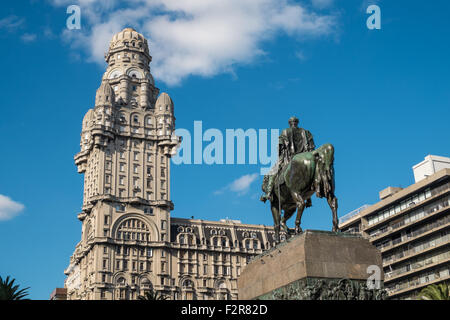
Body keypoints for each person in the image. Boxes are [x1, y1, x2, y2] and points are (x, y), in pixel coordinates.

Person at [260, 116, 315, 203]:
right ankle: (308, 198)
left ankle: (268, 194)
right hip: (305, 158)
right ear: (297, 122)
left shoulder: (285, 132)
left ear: (290, 123)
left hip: (289, 158)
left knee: (272, 173)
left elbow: (279, 146)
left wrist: (278, 153)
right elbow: (312, 147)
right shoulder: (306, 132)